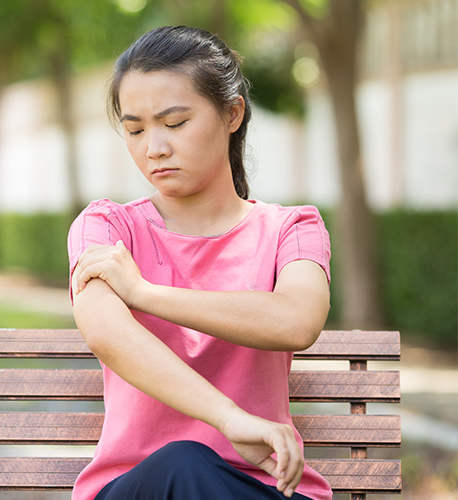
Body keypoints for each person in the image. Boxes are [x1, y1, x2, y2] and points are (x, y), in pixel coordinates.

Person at [67, 26, 333, 500]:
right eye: (134, 129)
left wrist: (145, 294)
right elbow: (106, 331)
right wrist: (228, 419)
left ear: (232, 113)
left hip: (260, 488)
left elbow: (296, 320)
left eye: (174, 123)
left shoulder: (291, 230)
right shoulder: (106, 229)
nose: (154, 148)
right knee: (182, 462)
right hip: (139, 487)